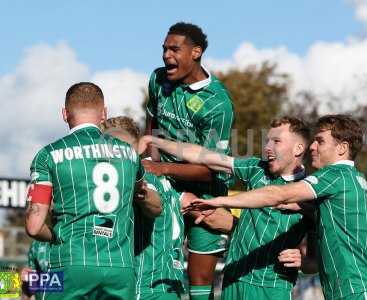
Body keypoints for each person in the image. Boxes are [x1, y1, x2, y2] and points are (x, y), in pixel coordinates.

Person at [190, 114, 367, 300]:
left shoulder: (337, 175)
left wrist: (220, 201)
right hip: (353, 288)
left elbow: (278, 194)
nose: (313, 147)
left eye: (320, 141)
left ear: (342, 148)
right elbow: (319, 254)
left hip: (355, 289)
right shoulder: (353, 181)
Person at [140, 116, 317, 300]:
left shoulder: (311, 193)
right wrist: (156, 141)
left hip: (271, 288)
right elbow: (206, 156)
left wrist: (303, 262)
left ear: (298, 148)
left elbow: (315, 263)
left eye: (276, 141)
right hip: (234, 279)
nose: (268, 148)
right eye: (268, 141)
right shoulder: (257, 169)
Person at [25, 82, 161, 300]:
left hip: (72, 262)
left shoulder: (50, 154)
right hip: (122, 269)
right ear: (104, 113)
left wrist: (20, 282)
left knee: (13, 282)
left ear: (64, 114)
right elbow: (156, 207)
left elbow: (33, 227)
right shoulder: (135, 164)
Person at [144, 22, 235, 299]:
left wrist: (160, 168)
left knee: (199, 280)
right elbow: (152, 127)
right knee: (155, 266)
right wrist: (154, 171)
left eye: (174, 49)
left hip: (206, 195)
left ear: (196, 52)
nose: (166, 55)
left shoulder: (217, 103)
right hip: (166, 189)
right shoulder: (158, 80)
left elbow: (212, 170)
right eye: (164, 49)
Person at [100, 116, 186, 299]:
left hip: (145, 287)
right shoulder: (165, 181)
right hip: (166, 284)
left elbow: (154, 204)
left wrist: (142, 194)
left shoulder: (144, 178)